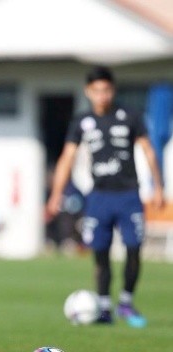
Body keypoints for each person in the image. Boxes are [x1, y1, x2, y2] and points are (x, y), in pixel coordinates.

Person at [46, 66, 164, 327]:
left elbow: (148, 149)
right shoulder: (81, 122)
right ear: (89, 92)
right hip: (98, 197)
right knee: (100, 252)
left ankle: (126, 302)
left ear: (113, 90)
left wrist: (158, 187)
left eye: (107, 90)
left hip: (129, 195)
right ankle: (103, 307)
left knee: (133, 248)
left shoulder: (130, 116)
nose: (102, 95)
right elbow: (67, 157)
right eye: (97, 91)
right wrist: (56, 194)